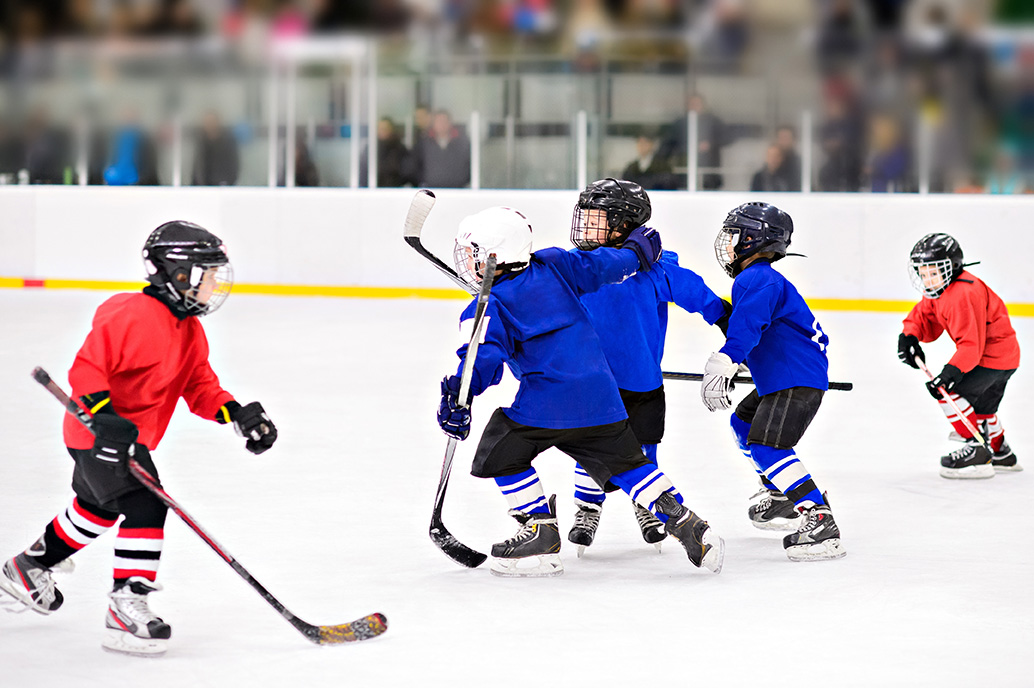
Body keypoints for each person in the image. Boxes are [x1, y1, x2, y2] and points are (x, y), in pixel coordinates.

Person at [0, 221, 279, 656]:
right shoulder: (130, 313)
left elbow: (200, 387)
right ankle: (126, 607)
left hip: (128, 440)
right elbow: (88, 368)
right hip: (97, 435)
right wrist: (104, 419)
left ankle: (29, 566)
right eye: (206, 275)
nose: (213, 286)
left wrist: (237, 414)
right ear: (177, 274)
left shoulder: (189, 330)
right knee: (146, 505)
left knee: (98, 508)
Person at [437, 206, 724, 578]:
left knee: (500, 451)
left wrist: (459, 396)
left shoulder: (488, 308)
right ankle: (691, 526)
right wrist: (635, 253)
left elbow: (482, 360)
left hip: (547, 402)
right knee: (631, 465)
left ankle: (539, 533)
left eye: (472, 254)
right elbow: (605, 265)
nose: (467, 263)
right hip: (603, 396)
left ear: (492, 256)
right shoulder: (555, 264)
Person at [566, 178, 730, 555]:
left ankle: (647, 504)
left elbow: (697, 293)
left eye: (596, 218)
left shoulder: (654, 269)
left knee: (642, 448)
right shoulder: (576, 266)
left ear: (623, 225)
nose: (586, 225)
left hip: (642, 383)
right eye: (585, 216)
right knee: (590, 447)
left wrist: (728, 324)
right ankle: (587, 509)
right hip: (591, 382)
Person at [700, 202, 845, 562]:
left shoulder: (756, 278)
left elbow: (748, 327)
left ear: (753, 239)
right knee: (743, 423)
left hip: (793, 379)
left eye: (735, 235)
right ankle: (781, 495)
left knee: (767, 447)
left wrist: (727, 359)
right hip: (785, 376)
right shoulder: (759, 279)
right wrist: (742, 363)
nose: (728, 243)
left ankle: (819, 519)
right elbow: (767, 333)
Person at [897, 234, 1021, 479]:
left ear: (952, 267)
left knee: (948, 393)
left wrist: (950, 373)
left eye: (934, 272)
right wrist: (909, 336)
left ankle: (977, 451)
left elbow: (971, 346)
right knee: (983, 409)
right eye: (923, 273)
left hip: (991, 359)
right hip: (1005, 357)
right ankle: (1001, 453)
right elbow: (924, 314)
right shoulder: (942, 288)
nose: (927, 279)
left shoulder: (962, 293)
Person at [416, 109, 471, 188]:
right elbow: (416, 165)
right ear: (433, 124)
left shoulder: (462, 143)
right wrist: (422, 181)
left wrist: (463, 181)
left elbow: (468, 164)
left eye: (444, 121)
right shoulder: (424, 143)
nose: (442, 124)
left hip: (457, 190)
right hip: (431, 189)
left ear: (450, 123)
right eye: (438, 121)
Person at [191, 111, 240, 186]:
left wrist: (228, 183)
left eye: (212, 121)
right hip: (202, 186)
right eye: (207, 122)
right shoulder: (201, 142)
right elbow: (197, 166)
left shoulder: (227, 142)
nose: (209, 125)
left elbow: (233, 165)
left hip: (222, 186)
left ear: (217, 123)